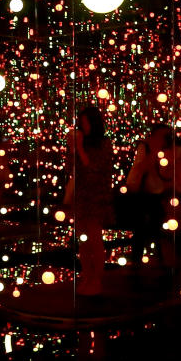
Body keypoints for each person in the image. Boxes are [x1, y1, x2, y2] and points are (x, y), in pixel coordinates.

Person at [68, 106, 113, 295]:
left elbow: (93, 169)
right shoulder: (81, 144)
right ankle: (86, 275)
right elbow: (72, 170)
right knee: (83, 241)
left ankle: (97, 279)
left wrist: (79, 149)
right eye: (81, 122)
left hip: (97, 196)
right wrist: (73, 149)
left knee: (95, 239)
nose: (83, 126)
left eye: (86, 122)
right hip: (81, 196)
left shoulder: (104, 143)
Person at [123, 122, 173, 265]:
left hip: (162, 193)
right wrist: (153, 151)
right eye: (163, 136)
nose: (165, 139)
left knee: (159, 228)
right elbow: (141, 168)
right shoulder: (145, 147)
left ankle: (160, 259)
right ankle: (139, 261)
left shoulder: (169, 149)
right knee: (142, 228)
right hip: (145, 193)